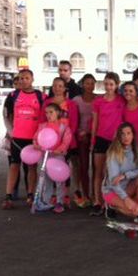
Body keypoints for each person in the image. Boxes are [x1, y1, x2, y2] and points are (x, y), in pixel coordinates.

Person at [3, 69, 46, 209]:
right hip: (16, 138)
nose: (23, 80)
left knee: (32, 167)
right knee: (14, 166)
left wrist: (40, 136)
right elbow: (6, 116)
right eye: (20, 78)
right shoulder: (13, 95)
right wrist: (10, 133)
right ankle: (8, 196)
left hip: (33, 140)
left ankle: (30, 195)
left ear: (32, 79)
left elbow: (45, 118)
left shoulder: (41, 96)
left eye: (26, 78)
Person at [90, 72, 125, 216]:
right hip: (101, 139)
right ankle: (98, 202)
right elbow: (95, 122)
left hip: (116, 141)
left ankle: (110, 202)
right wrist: (93, 140)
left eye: (111, 84)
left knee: (112, 173)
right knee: (98, 171)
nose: (108, 87)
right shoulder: (98, 101)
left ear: (116, 85)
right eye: (106, 84)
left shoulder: (121, 100)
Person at [41, 77, 79, 207]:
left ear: (64, 88)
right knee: (47, 171)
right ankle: (49, 197)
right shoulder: (47, 103)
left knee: (63, 169)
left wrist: (66, 142)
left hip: (64, 142)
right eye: (55, 85)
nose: (57, 88)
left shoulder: (71, 104)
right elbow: (42, 121)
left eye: (60, 86)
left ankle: (63, 197)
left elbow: (73, 123)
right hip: (49, 143)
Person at [102, 122, 138, 222]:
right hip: (113, 190)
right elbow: (113, 182)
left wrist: (125, 176)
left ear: (133, 135)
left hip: (128, 187)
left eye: (129, 133)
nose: (126, 137)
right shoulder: (113, 152)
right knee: (133, 211)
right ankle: (111, 206)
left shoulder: (137, 150)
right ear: (119, 136)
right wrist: (126, 199)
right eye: (122, 134)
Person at [33, 103, 73, 214]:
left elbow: (66, 141)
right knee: (46, 179)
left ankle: (60, 201)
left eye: (51, 112)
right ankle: (46, 201)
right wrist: (37, 145)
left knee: (59, 179)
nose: (48, 115)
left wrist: (59, 150)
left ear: (58, 113)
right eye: (46, 112)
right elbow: (35, 138)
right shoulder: (42, 126)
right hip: (44, 155)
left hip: (57, 156)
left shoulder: (63, 127)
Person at [72, 74, 96, 208]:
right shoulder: (76, 100)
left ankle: (95, 194)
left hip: (94, 136)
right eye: (87, 83)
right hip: (80, 137)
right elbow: (73, 119)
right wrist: (79, 133)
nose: (90, 86)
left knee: (97, 168)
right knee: (83, 167)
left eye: (92, 83)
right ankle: (85, 194)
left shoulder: (98, 99)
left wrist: (91, 133)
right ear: (83, 84)